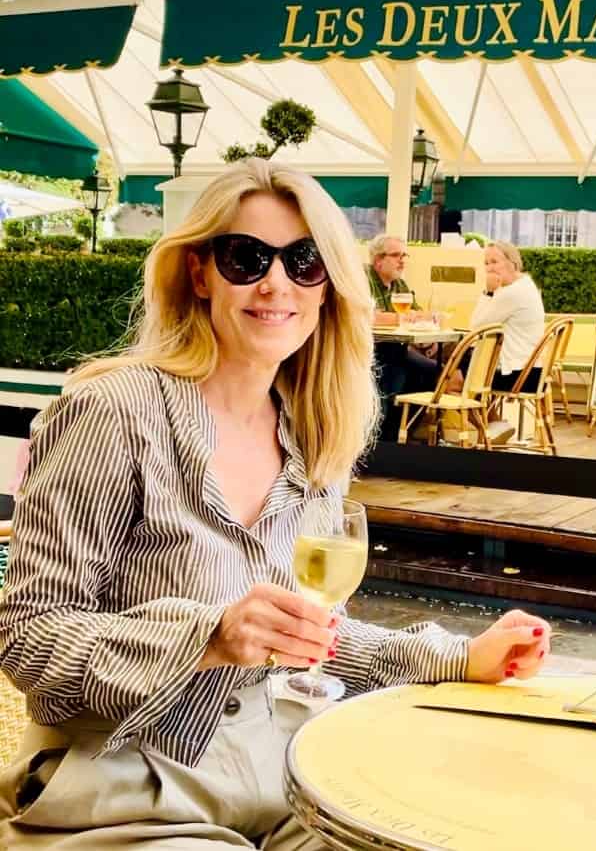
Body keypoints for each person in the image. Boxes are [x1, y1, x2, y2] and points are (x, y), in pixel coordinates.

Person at [0, 159, 552, 849]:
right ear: (200, 273)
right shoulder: (115, 411)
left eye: (304, 261)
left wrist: (458, 658)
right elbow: (30, 639)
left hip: (284, 775)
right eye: (246, 257)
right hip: (125, 785)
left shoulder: (314, 433)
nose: (275, 283)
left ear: (328, 287)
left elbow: (313, 637)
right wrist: (207, 637)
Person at [366, 234, 437, 434]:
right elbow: (366, 316)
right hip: (368, 351)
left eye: (404, 255)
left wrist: (426, 339)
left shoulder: (400, 284)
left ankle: (403, 431)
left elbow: (419, 315)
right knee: (395, 374)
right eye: (396, 255)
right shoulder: (363, 279)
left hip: (396, 348)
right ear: (378, 260)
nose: (402, 261)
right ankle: (385, 435)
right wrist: (402, 318)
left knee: (432, 371)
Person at [469, 241, 545, 392]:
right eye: (486, 263)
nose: (490, 268)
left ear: (513, 264)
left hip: (517, 375)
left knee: (450, 375)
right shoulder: (526, 284)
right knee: (458, 364)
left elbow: (476, 327)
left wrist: (488, 292)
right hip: (533, 371)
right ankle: (482, 410)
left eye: (495, 262)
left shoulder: (512, 293)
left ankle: (474, 408)